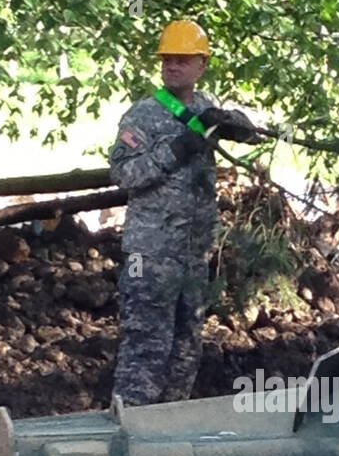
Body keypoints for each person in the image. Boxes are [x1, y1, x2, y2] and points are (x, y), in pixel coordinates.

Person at [108, 20, 260, 406]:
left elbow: (249, 133)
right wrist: (174, 151)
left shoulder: (205, 108)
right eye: (167, 60)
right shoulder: (144, 115)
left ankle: (170, 424)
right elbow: (124, 174)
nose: (172, 66)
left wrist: (229, 122)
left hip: (193, 251)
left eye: (182, 59)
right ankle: (130, 424)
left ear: (201, 65)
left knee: (186, 343)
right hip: (150, 252)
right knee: (146, 342)